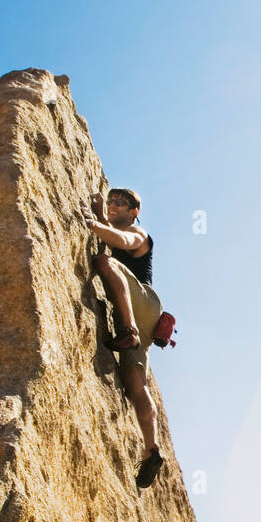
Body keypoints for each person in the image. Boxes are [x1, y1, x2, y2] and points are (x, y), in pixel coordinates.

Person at [81, 187, 165, 488]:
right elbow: (110, 228)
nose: (115, 205)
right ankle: (151, 448)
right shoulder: (114, 224)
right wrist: (100, 208)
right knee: (134, 384)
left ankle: (127, 330)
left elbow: (121, 240)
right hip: (144, 319)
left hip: (142, 304)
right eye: (113, 200)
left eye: (122, 203)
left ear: (134, 213)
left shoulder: (138, 234)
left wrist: (92, 223)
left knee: (104, 261)